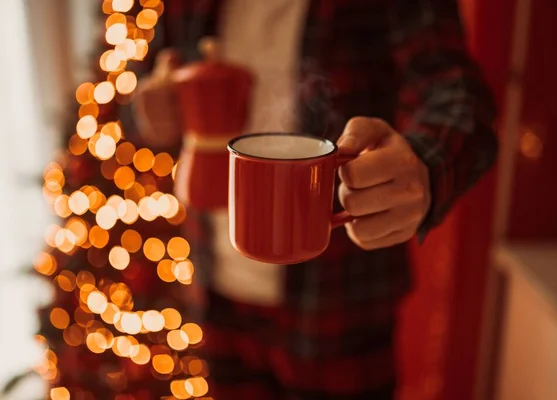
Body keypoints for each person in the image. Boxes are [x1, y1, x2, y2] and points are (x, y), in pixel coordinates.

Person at [132, 0, 498, 398]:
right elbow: (143, 89)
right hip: (216, 293)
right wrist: (145, 112)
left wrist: (424, 166)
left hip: (341, 307)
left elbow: (457, 92)